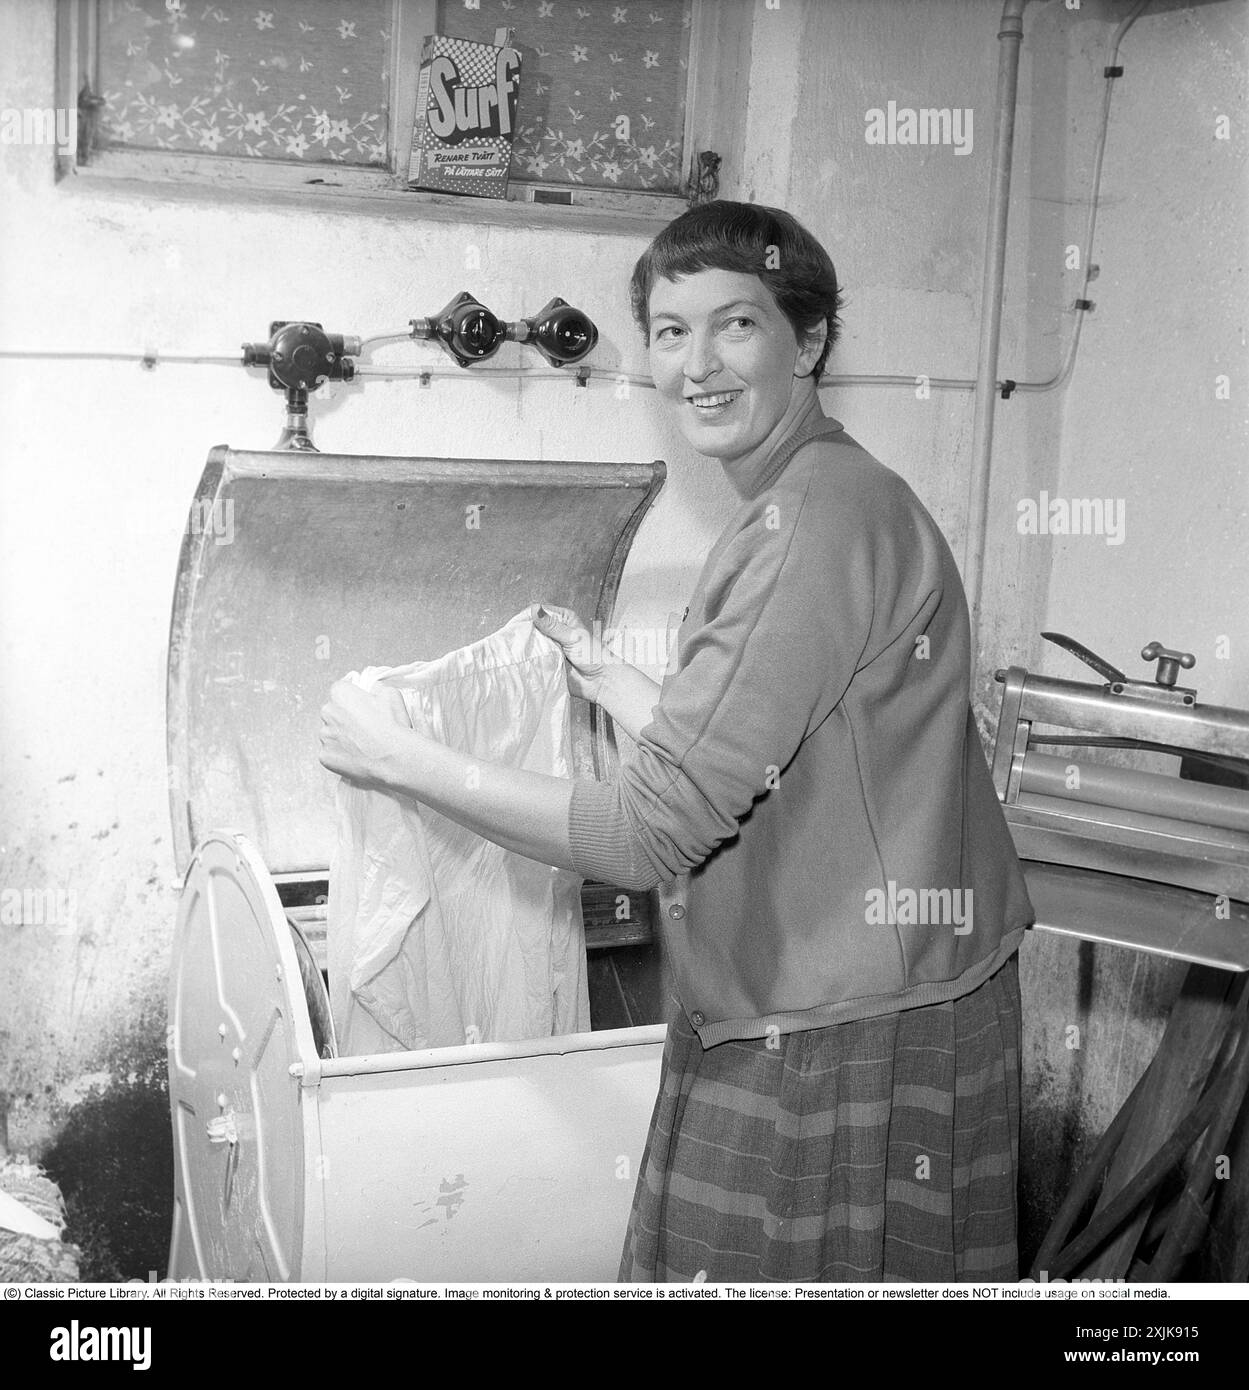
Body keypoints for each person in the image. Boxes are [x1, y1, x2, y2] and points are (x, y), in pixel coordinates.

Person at [319, 199, 1035, 1283]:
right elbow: (799, 745)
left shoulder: (813, 523)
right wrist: (620, 682)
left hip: (846, 1027)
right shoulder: (819, 495)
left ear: (809, 341)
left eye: (735, 325)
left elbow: (651, 832)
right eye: (667, 330)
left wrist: (401, 761)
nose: (695, 363)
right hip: (892, 989)